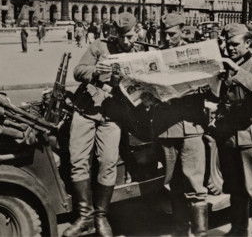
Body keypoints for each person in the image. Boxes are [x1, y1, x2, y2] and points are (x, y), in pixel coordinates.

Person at [63, 13, 139, 237]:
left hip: (112, 117)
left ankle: (101, 216)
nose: (126, 42)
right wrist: (97, 71)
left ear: (139, 31)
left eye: (131, 37)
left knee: (107, 162)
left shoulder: (139, 54)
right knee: (78, 161)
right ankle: (84, 217)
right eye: (123, 37)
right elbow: (78, 71)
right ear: (116, 33)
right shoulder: (100, 47)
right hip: (85, 111)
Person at [146, 13, 208, 236]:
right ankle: (181, 231)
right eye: (165, 33)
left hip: (191, 127)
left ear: (183, 31)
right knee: (173, 185)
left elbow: (211, 85)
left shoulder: (196, 53)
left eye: (172, 33)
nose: (167, 37)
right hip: (166, 129)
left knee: (195, 185)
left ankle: (200, 234)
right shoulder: (157, 55)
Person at [215, 23, 252, 237]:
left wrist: (237, 70)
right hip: (229, 135)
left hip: (251, 135)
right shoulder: (226, 66)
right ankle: (238, 230)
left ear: (248, 43)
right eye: (227, 44)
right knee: (235, 188)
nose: (230, 48)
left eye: (235, 44)